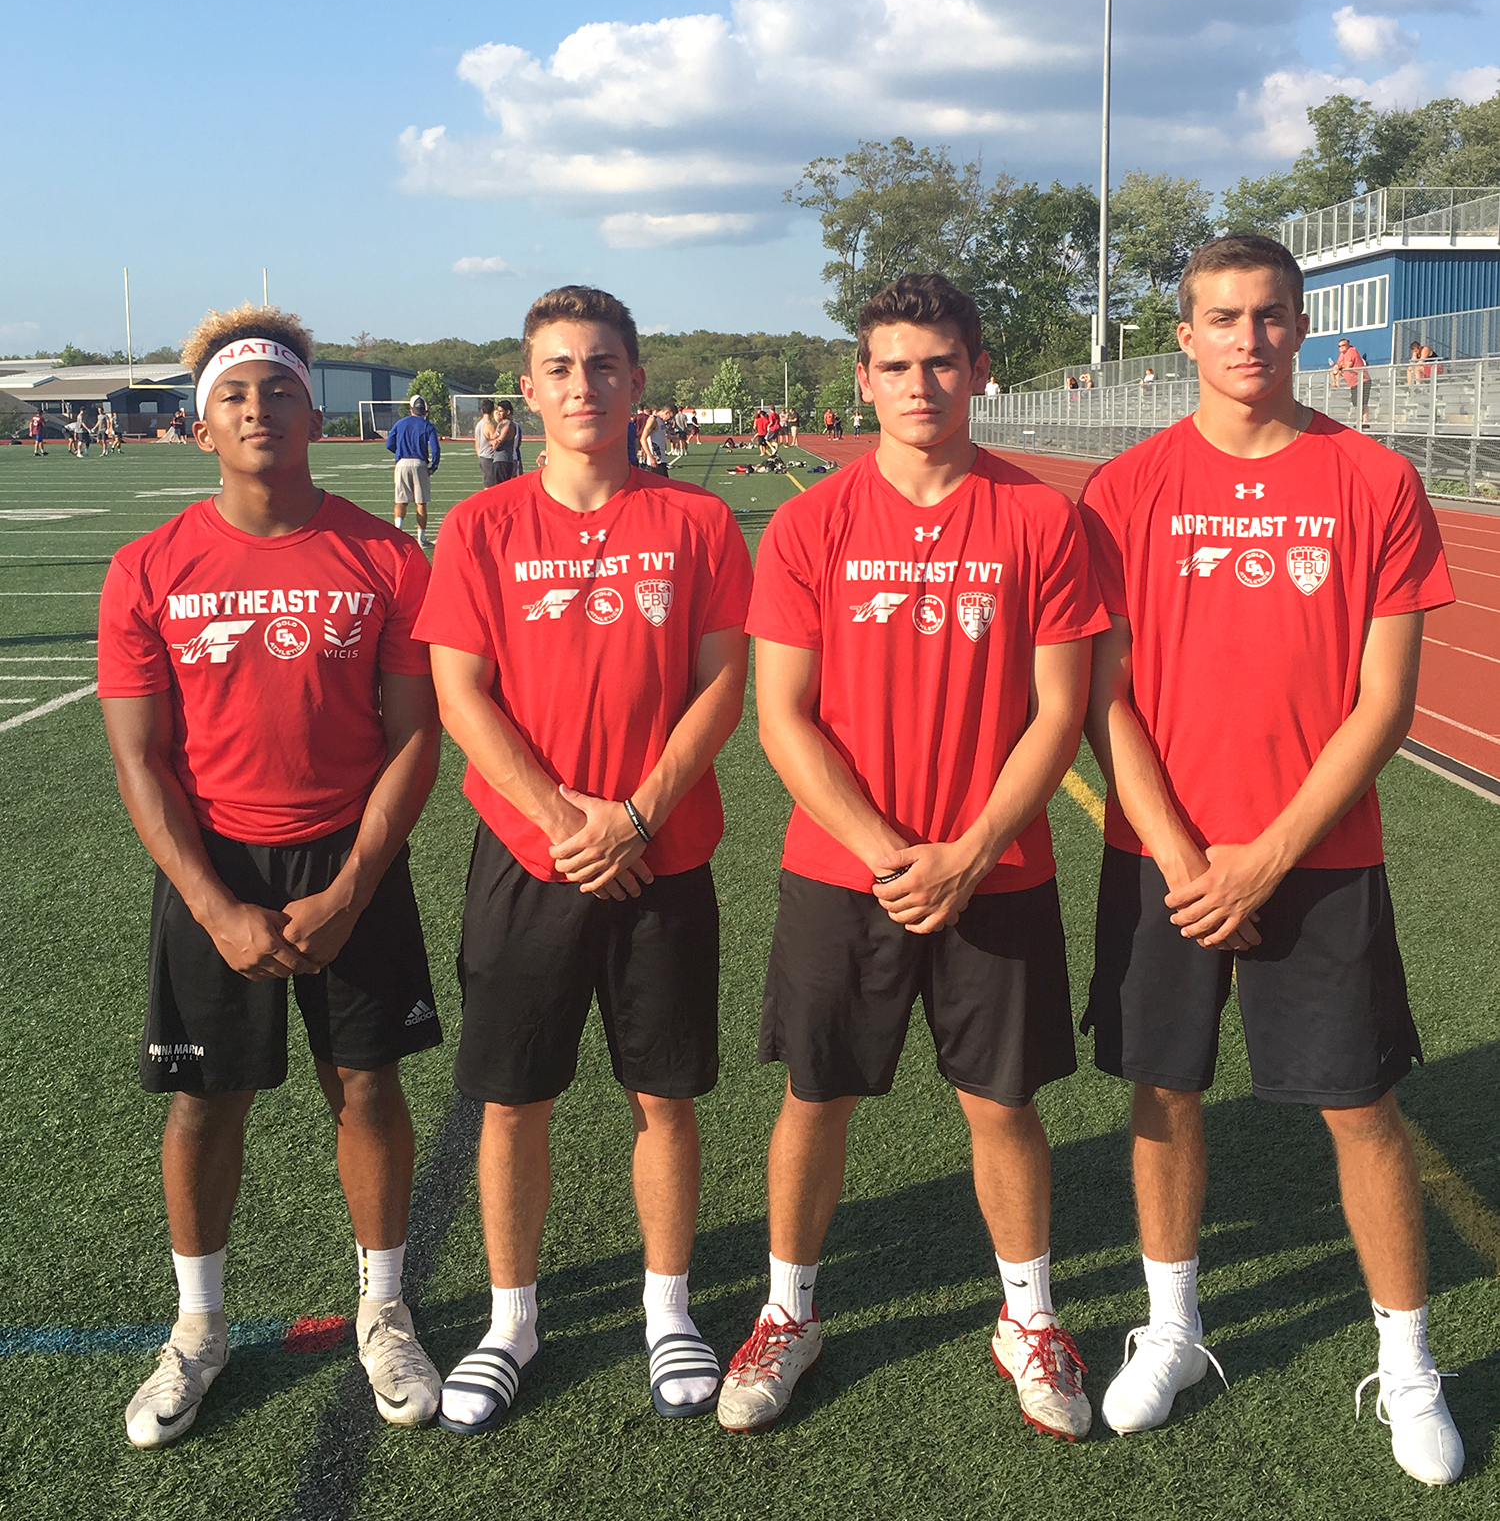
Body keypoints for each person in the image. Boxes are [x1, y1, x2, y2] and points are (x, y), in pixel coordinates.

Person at [1078, 232, 1462, 1486]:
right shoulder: (1127, 488)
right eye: (1223, 317)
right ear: (1182, 335)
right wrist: (1192, 854)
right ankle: (1176, 1329)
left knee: (1361, 1105)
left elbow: (1386, 700)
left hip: (1322, 854)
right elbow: (1108, 702)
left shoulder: (1375, 478)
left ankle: (1408, 1362)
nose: (1249, 337)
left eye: (1271, 316)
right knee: (1164, 1089)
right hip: (1164, 860)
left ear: (1303, 330)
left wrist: (1268, 854)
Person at [718, 272, 1108, 1440]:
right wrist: (894, 850)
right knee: (816, 1093)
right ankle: (789, 1310)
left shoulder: (1040, 519)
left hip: (1002, 871)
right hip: (846, 871)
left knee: (1001, 1101)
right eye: (896, 363)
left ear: (979, 368)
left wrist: (972, 847)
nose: (921, 384)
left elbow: (1060, 710)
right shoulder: (812, 521)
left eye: (942, 361)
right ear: (863, 379)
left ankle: (1027, 1315)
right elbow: (781, 711)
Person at [97, 304, 446, 1449]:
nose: (259, 409)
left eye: (279, 390)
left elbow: (413, 737)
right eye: (236, 396)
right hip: (215, 865)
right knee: (205, 1099)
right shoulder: (148, 565)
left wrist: (350, 887)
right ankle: (198, 1326)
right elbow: (140, 757)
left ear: (314, 409)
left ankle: (384, 1307)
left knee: (368, 1087)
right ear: (203, 426)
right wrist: (214, 904)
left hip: (351, 857)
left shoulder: (386, 553)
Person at [415, 284, 753, 1432]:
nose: (581, 386)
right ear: (527, 389)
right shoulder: (479, 526)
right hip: (527, 854)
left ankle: (669, 1307)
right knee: (513, 1101)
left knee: (663, 1092)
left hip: (662, 853)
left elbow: (722, 684)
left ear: (636, 382)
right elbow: (461, 691)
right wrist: (567, 820)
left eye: (602, 365)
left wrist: (638, 814)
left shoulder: (698, 521)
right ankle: (512, 1318)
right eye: (558, 367)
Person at [386, 394, 442, 548]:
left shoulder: (400, 423)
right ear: (424, 410)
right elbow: (436, 449)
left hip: (402, 462)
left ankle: (398, 534)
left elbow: (389, 443)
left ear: (410, 408)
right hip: (419, 463)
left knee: (400, 501)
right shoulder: (427, 426)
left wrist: (400, 452)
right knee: (421, 502)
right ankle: (422, 539)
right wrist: (434, 466)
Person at [1331, 337, 1370, 426]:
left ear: (1348, 345)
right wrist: (1337, 367)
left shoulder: (1352, 350)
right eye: (1339, 346)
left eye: (1343, 345)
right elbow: (1339, 365)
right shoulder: (1342, 354)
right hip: (1353, 383)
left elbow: (1348, 365)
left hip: (1362, 380)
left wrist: (1339, 367)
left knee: (1363, 402)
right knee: (1356, 403)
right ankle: (1360, 421)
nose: (1341, 347)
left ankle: (1365, 421)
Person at [474, 400, 501, 489]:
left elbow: (476, 442)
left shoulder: (478, 424)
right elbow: (495, 442)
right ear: (493, 411)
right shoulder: (488, 425)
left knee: (488, 484)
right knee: (491, 487)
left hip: (482, 456)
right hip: (489, 458)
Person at [494, 400, 522, 481]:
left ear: (508, 412)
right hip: (503, 458)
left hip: (511, 458)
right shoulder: (501, 425)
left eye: (500, 411)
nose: (498, 414)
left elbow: (518, 443)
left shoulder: (512, 426)